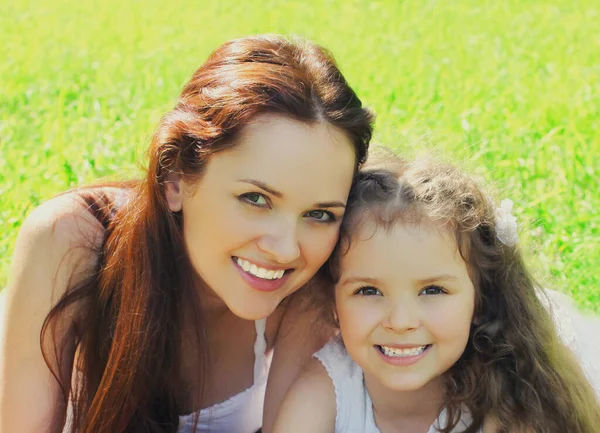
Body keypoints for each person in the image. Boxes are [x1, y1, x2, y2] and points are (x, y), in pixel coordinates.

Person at [0, 34, 374, 433]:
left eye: (319, 213)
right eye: (255, 199)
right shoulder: (74, 241)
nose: (285, 249)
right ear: (174, 178)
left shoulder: (316, 290)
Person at [273, 156, 600, 433]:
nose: (400, 321)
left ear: (480, 298)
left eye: (433, 290)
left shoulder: (508, 395)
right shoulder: (327, 390)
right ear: (333, 301)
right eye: (369, 290)